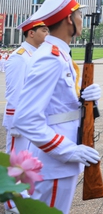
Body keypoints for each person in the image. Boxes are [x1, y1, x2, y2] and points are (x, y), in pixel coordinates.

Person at [13, 0, 102, 213]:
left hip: (60, 160)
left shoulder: (59, 55)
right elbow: (25, 119)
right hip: (54, 161)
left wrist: (86, 99)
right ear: (70, 20)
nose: (83, 19)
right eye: (80, 14)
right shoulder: (50, 58)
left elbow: (60, 104)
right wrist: (68, 151)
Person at [3, 18, 49, 213]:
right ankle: (11, 202)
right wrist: (14, 123)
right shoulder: (20, 57)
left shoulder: (36, 55)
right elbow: (14, 92)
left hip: (32, 119)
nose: (47, 34)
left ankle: (22, 195)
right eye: (44, 31)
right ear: (31, 32)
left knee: (27, 160)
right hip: (20, 121)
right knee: (15, 162)